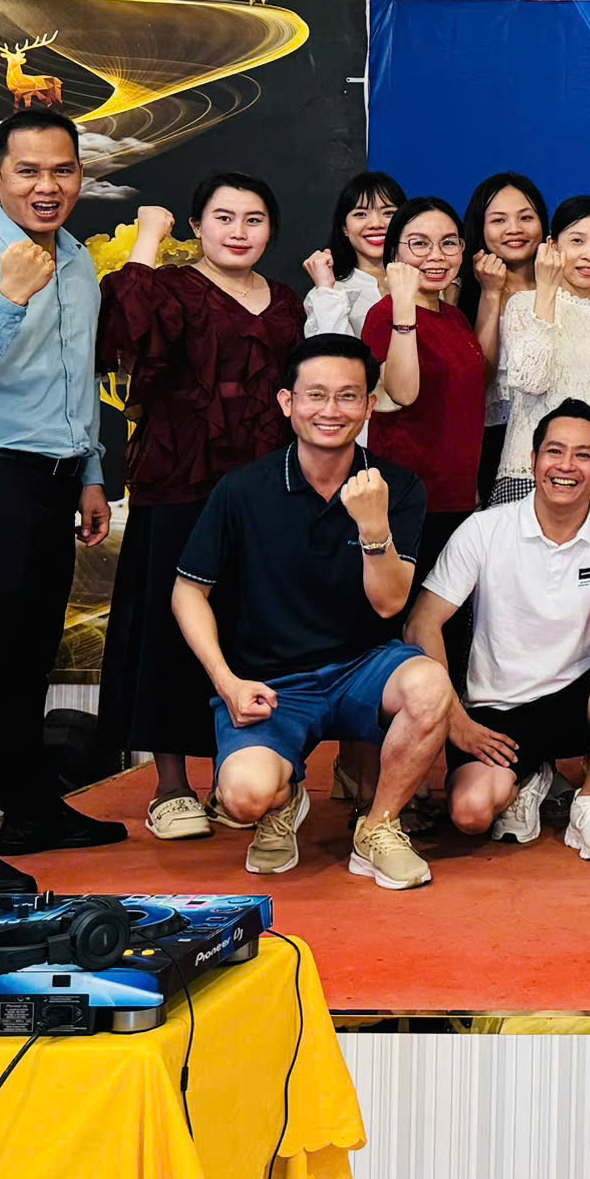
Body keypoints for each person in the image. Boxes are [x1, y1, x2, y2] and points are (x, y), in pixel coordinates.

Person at [170, 334, 453, 889]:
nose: (331, 410)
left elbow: (390, 602)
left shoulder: (397, 487)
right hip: (272, 681)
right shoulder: (243, 490)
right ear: (287, 403)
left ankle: (379, 827)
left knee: (430, 685)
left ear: (369, 406)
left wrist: (373, 526)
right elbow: (187, 593)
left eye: (348, 396)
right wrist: (227, 682)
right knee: (244, 795)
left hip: (363, 667)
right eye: (316, 395)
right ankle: (282, 803)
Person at [0, 108, 123, 862]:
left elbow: (77, 380)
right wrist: (8, 298)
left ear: (80, 176)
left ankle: (31, 813)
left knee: (28, 658)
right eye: (28, 170)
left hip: (54, 482)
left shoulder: (78, 259)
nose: (47, 185)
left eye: (62, 170)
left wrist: (90, 474)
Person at [98, 174, 305, 840]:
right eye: (223, 217)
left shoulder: (286, 303)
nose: (239, 231)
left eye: (254, 219)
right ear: (196, 226)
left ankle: (235, 773)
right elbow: (120, 330)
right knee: (170, 629)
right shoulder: (169, 287)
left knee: (248, 629)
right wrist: (148, 235)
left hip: (264, 493)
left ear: (271, 230)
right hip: (179, 485)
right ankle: (169, 787)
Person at [407, 403, 590, 863]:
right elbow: (421, 623)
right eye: (554, 452)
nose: (566, 466)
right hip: (496, 710)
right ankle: (530, 778)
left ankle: (589, 802)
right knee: (470, 814)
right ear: (533, 460)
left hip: (574, 702)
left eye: (583, 456)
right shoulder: (485, 528)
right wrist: (455, 719)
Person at [493, 196, 590, 508]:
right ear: (552, 246)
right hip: (532, 476)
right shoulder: (523, 305)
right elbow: (530, 380)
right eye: (577, 241)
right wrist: (546, 290)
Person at [361, 198, 488, 582]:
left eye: (449, 243)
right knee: (408, 610)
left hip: (458, 497)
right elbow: (402, 393)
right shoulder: (384, 314)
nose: (436, 256)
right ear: (394, 253)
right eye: (419, 243)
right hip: (408, 498)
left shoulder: (455, 317)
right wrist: (403, 305)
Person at [459, 172, 548, 506]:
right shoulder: (457, 290)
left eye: (526, 218)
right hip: (489, 444)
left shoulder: (563, 285)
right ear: (479, 227)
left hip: (555, 440)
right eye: (499, 220)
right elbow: (478, 379)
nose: (514, 229)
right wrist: (490, 294)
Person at [302, 170, 402, 339]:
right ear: (345, 228)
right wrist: (326, 291)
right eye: (360, 214)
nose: (376, 224)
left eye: (388, 213)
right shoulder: (329, 292)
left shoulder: (428, 281)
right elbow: (330, 350)